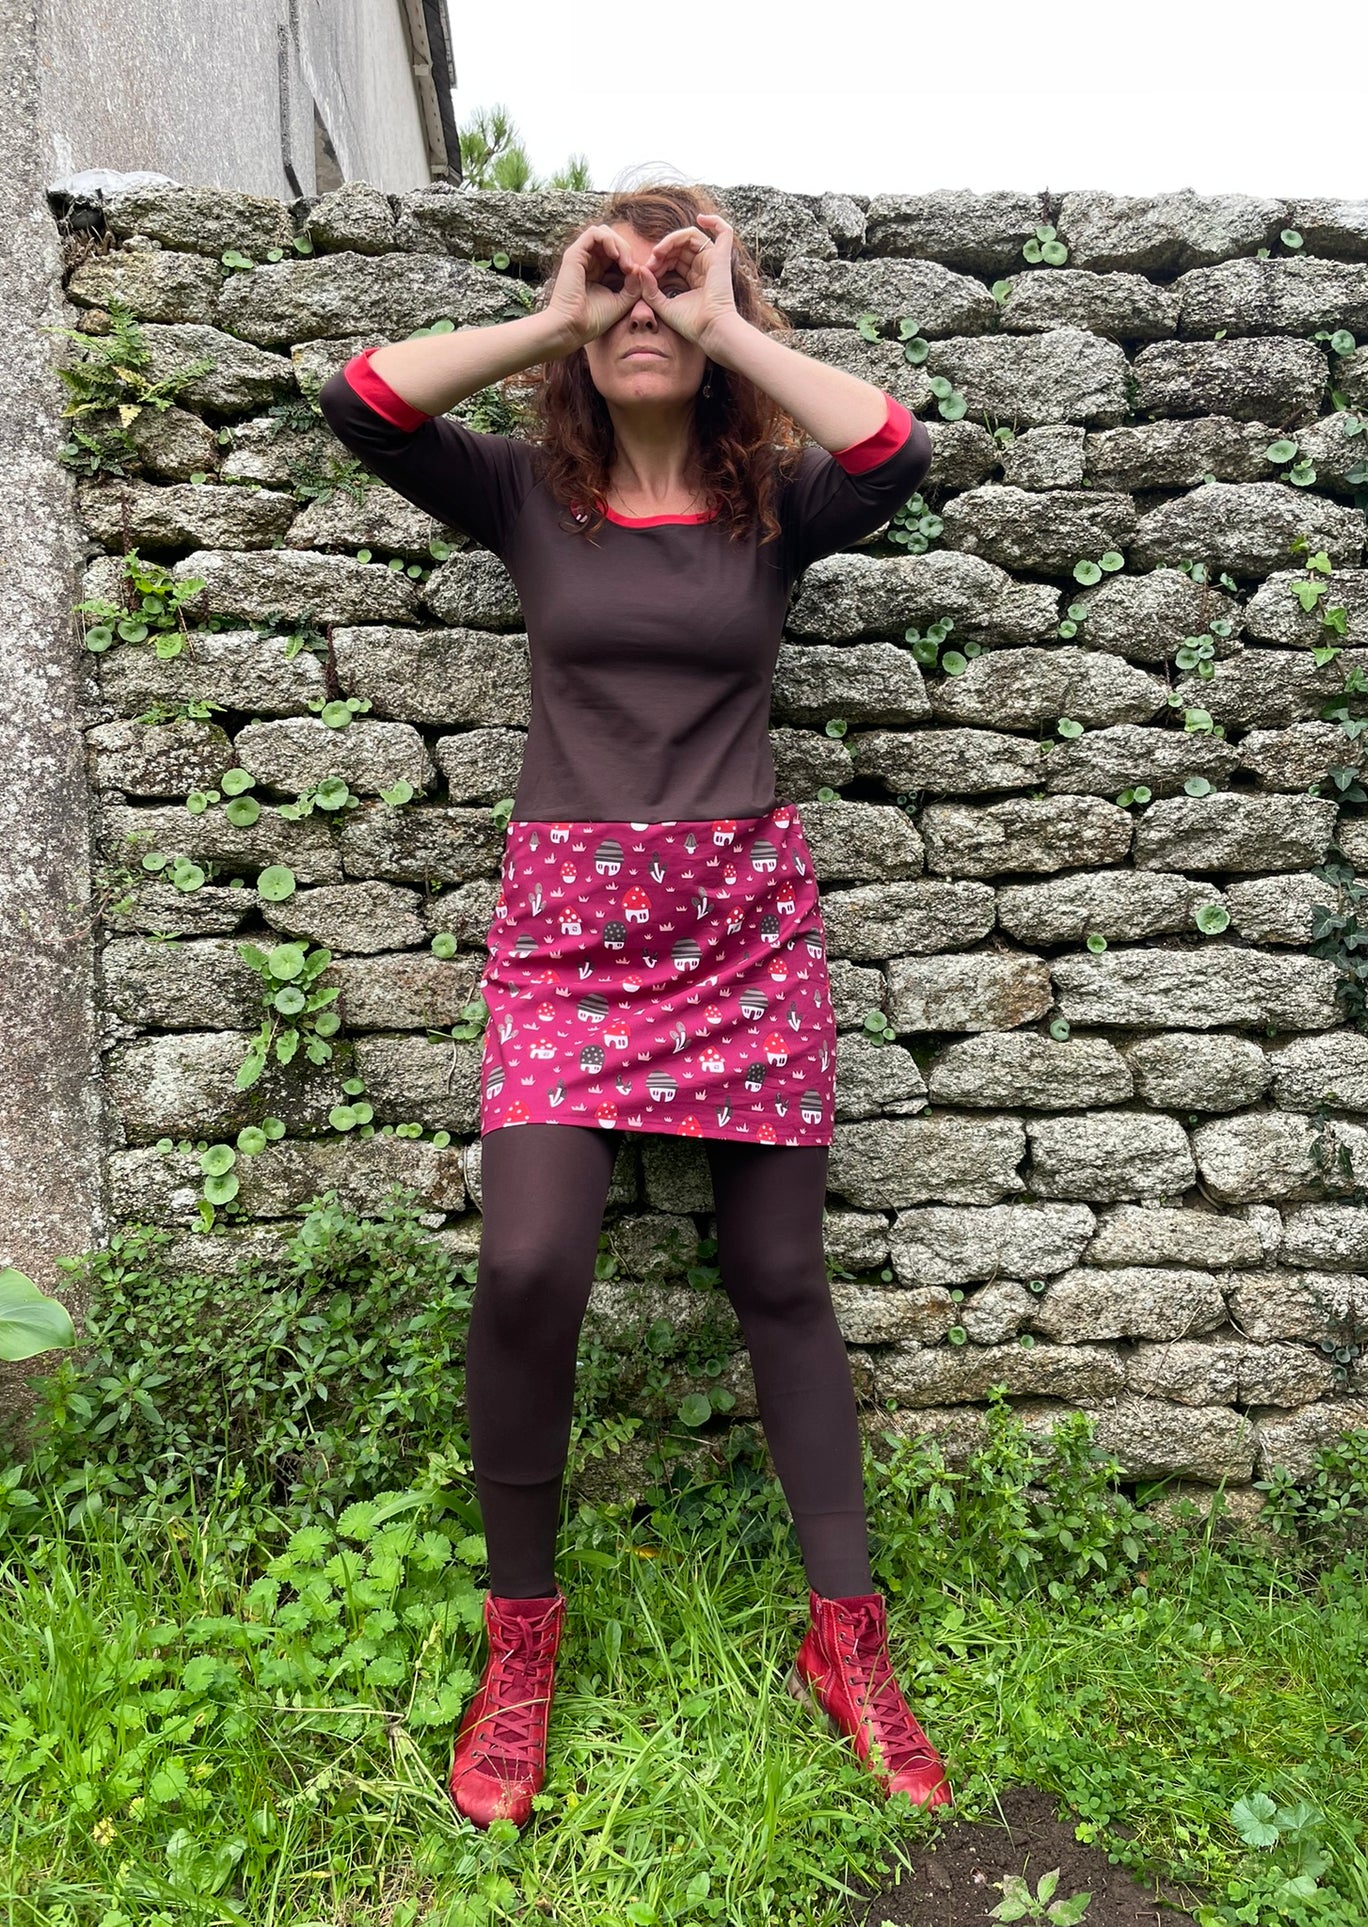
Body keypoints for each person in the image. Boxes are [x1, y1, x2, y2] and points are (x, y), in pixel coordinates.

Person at [319, 183, 952, 1830]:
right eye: (625, 284)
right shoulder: (524, 493)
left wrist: (724, 310)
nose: (646, 309)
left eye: (675, 285)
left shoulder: (778, 509)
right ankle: (517, 1651)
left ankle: (847, 1642)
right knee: (531, 1265)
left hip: (742, 930)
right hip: (568, 939)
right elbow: (363, 401)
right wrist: (562, 307)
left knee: (779, 1277)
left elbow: (893, 449)